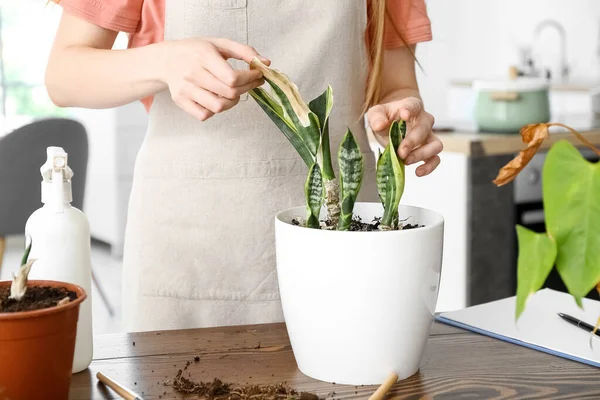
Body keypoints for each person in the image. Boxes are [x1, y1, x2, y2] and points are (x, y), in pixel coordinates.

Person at [46, 0, 443, 332]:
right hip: (191, 248)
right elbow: (64, 75)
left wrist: (403, 114)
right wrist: (164, 62)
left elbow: (395, 83)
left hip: (344, 240)